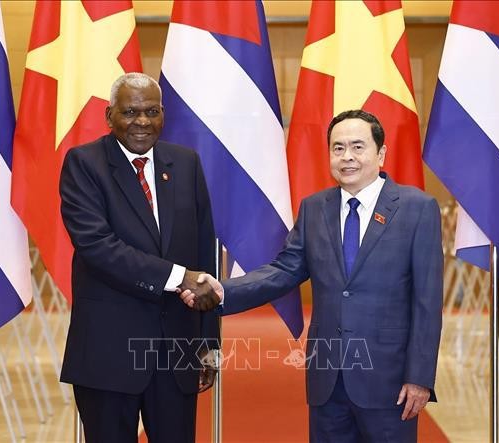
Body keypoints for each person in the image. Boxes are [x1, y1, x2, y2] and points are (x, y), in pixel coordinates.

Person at [184, 110, 443, 442]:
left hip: (389, 383)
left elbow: (427, 301)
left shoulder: (417, 208)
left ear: (381, 153)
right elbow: (283, 270)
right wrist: (223, 290)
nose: (347, 156)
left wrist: (420, 377)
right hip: (327, 382)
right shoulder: (315, 208)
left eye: (358, 146)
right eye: (338, 148)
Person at [59, 72, 222, 443]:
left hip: (176, 351)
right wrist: (179, 276)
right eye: (131, 112)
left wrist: (208, 342)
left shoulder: (186, 163)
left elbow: (203, 252)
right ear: (109, 114)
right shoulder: (84, 164)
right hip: (108, 352)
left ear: (164, 113)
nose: (143, 122)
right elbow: (98, 247)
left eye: (152, 111)